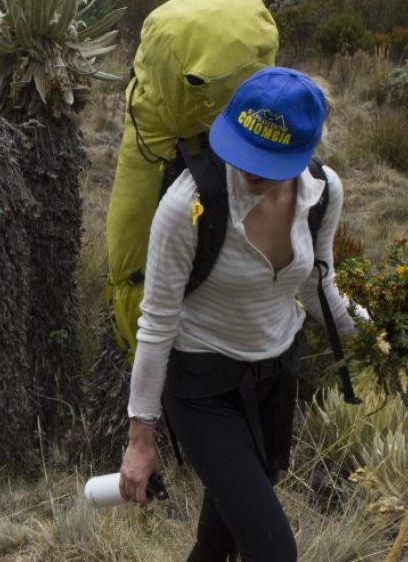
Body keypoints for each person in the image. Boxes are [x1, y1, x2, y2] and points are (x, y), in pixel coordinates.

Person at [119, 67, 357, 561]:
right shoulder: (188, 205)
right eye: (242, 148)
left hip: (273, 381)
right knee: (274, 552)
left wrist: (381, 334)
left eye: (268, 160)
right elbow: (157, 323)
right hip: (203, 389)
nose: (248, 169)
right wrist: (141, 437)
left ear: (305, 152)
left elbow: (317, 286)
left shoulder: (323, 193)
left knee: (219, 539)